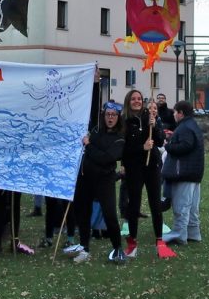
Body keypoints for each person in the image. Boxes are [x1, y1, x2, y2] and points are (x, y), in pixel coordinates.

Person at [64, 100, 126, 264]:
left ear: (118, 117)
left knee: (110, 214)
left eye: (113, 115)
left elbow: (107, 158)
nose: (110, 118)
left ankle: (117, 247)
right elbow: (91, 101)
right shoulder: (96, 130)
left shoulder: (120, 138)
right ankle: (84, 246)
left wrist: (90, 146)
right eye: (107, 115)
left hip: (105, 180)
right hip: (85, 178)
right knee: (83, 212)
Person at [120, 90, 175, 259]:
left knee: (155, 203)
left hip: (152, 166)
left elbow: (159, 141)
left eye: (139, 99)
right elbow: (123, 149)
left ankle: (159, 241)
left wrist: (155, 126)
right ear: (128, 102)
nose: (137, 101)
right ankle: (132, 243)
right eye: (133, 99)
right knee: (133, 205)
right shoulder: (124, 122)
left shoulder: (149, 116)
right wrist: (141, 148)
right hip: (134, 168)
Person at [161, 100, 204, 244]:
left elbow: (185, 145)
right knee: (192, 207)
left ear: (181, 113)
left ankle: (179, 234)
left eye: (175, 112)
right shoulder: (193, 125)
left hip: (183, 173)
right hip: (194, 172)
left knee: (181, 205)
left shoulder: (185, 127)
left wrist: (169, 145)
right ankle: (193, 233)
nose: (173, 115)